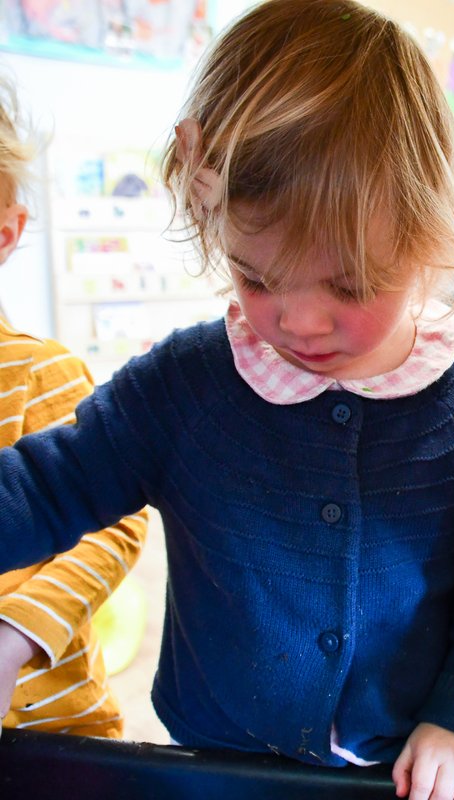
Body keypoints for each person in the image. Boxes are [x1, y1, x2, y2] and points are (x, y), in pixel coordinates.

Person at [0, 2, 454, 798]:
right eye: (257, 277)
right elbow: (45, 485)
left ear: (428, 238)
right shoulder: (184, 385)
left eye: (352, 283)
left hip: (404, 764)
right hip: (212, 761)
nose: (299, 321)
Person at [0, 78, 149, 741]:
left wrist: (15, 636)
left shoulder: (43, 369)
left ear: (6, 234)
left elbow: (115, 522)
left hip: (56, 727)